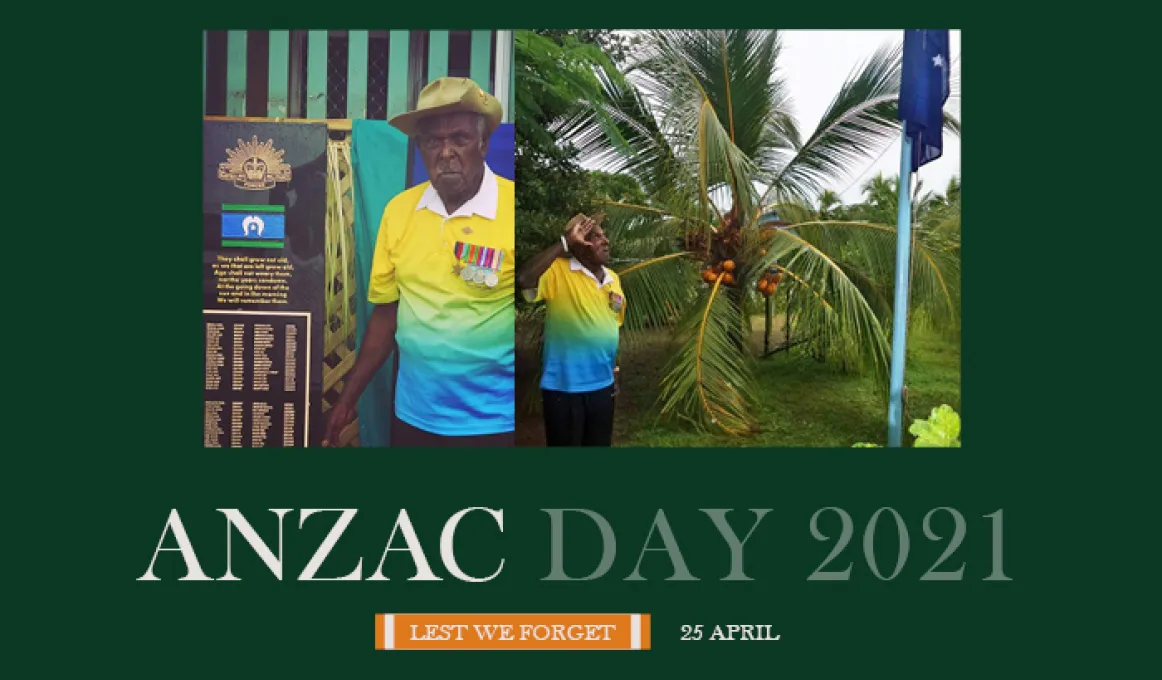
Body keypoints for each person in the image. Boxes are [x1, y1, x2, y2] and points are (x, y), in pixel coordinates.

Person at [323, 77, 514, 447]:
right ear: (420, 149)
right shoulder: (399, 212)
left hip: (494, 424)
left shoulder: (510, 210)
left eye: (459, 139)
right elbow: (385, 315)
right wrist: (347, 399)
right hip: (413, 418)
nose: (445, 152)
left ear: (484, 144)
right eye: (432, 141)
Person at [517, 213, 625, 446]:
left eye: (604, 236)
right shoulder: (558, 271)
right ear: (579, 244)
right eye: (596, 237)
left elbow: (612, 328)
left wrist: (614, 371)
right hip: (564, 389)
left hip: (603, 387)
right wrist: (565, 243)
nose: (605, 241)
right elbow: (525, 279)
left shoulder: (613, 279)